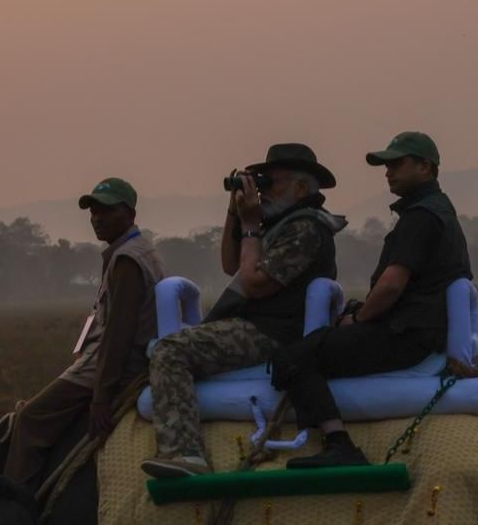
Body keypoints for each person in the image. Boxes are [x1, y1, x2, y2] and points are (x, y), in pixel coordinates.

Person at [141, 144, 348, 478]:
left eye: (272, 183)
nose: (263, 191)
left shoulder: (307, 228)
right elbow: (229, 264)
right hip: (256, 325)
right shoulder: (281, 223)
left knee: (170, 349)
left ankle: (185, 455)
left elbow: (252, 282)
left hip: (275, 333)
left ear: (301, 186)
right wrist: (235, 213)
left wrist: (251, 223)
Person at [277, 131, 473, 468]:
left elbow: (390, 287)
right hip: (418, 329)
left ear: (425, 167)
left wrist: (359, 318)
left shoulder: (420, 216)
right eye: (386, 165)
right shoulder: (437, 210)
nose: (388, 172)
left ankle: (339, 445)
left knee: (294, 357)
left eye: (397, 164)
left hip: (406, 333)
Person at [2, 177, 166, 489]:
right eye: (92, 212)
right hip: (112, 360)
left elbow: (118, 336)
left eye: (106, 211)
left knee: (29, 420)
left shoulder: (127, 260)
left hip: (112, 366)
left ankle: (13, 504)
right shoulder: (140, 251)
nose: (97, 219)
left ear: (130, 214)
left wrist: (101, 398)